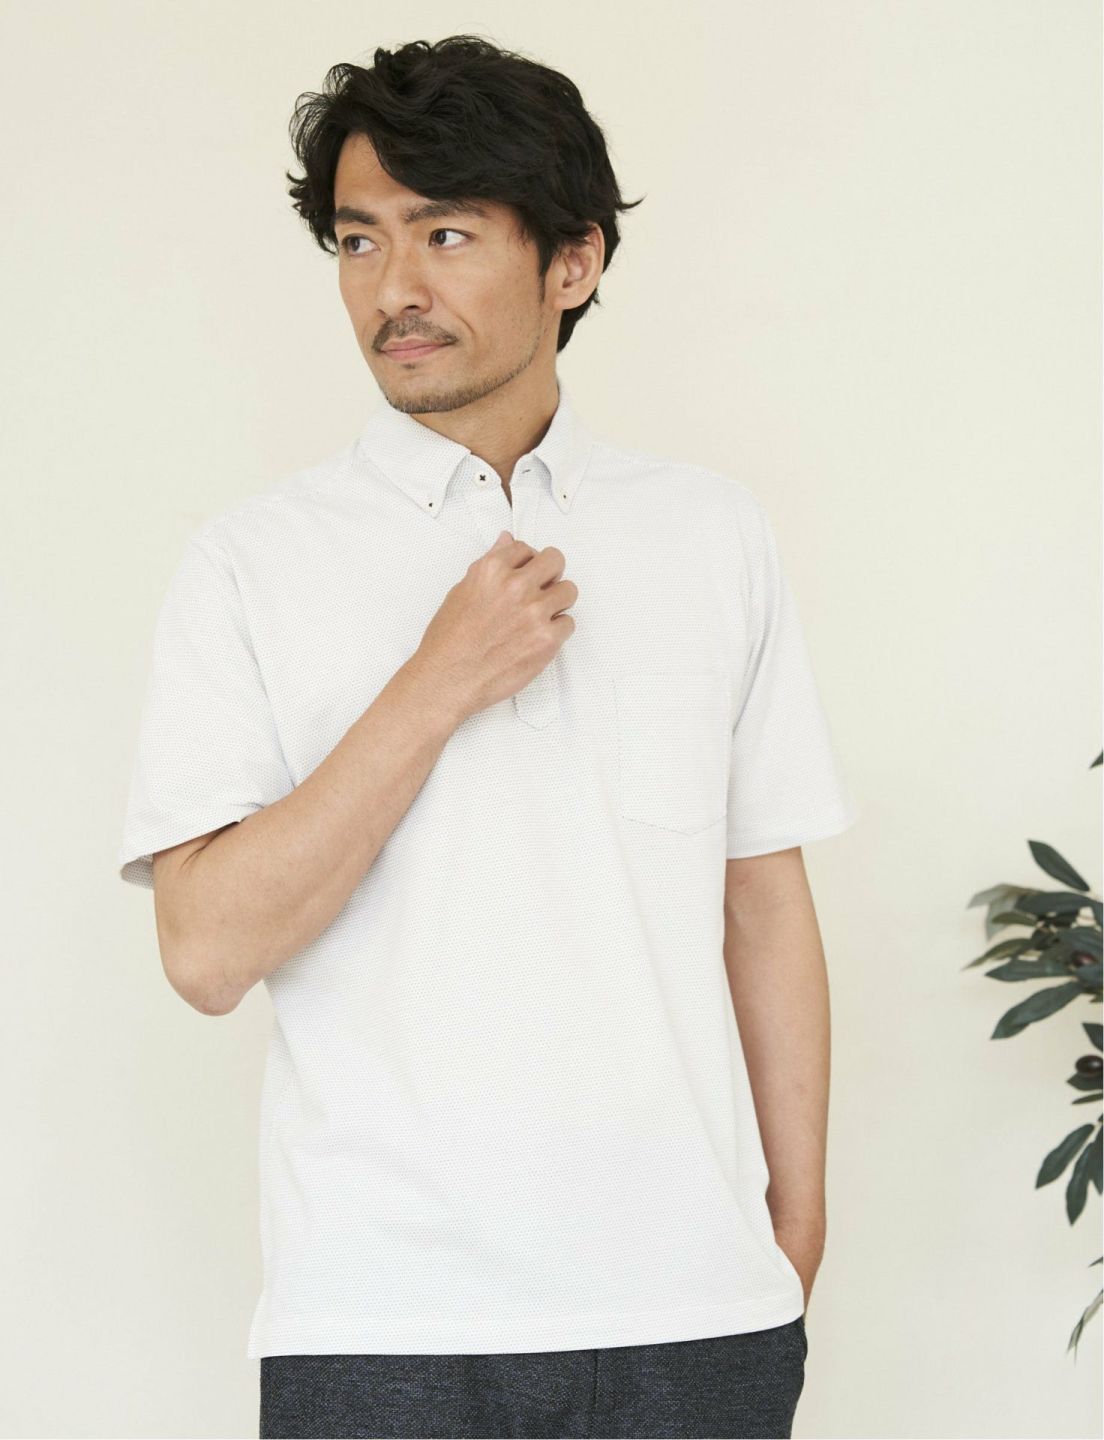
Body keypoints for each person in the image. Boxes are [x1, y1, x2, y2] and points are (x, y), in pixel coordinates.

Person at [117, 33, 858, 1440]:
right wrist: (437, 682)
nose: (392, 288)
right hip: (382, 1327)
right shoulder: (250, 563)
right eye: (359, 240)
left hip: (695, 1319)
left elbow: (762, 897)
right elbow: (204, 951)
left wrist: (793, 1234)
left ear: (571, 262)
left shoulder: (711, 534)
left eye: (444, 233)